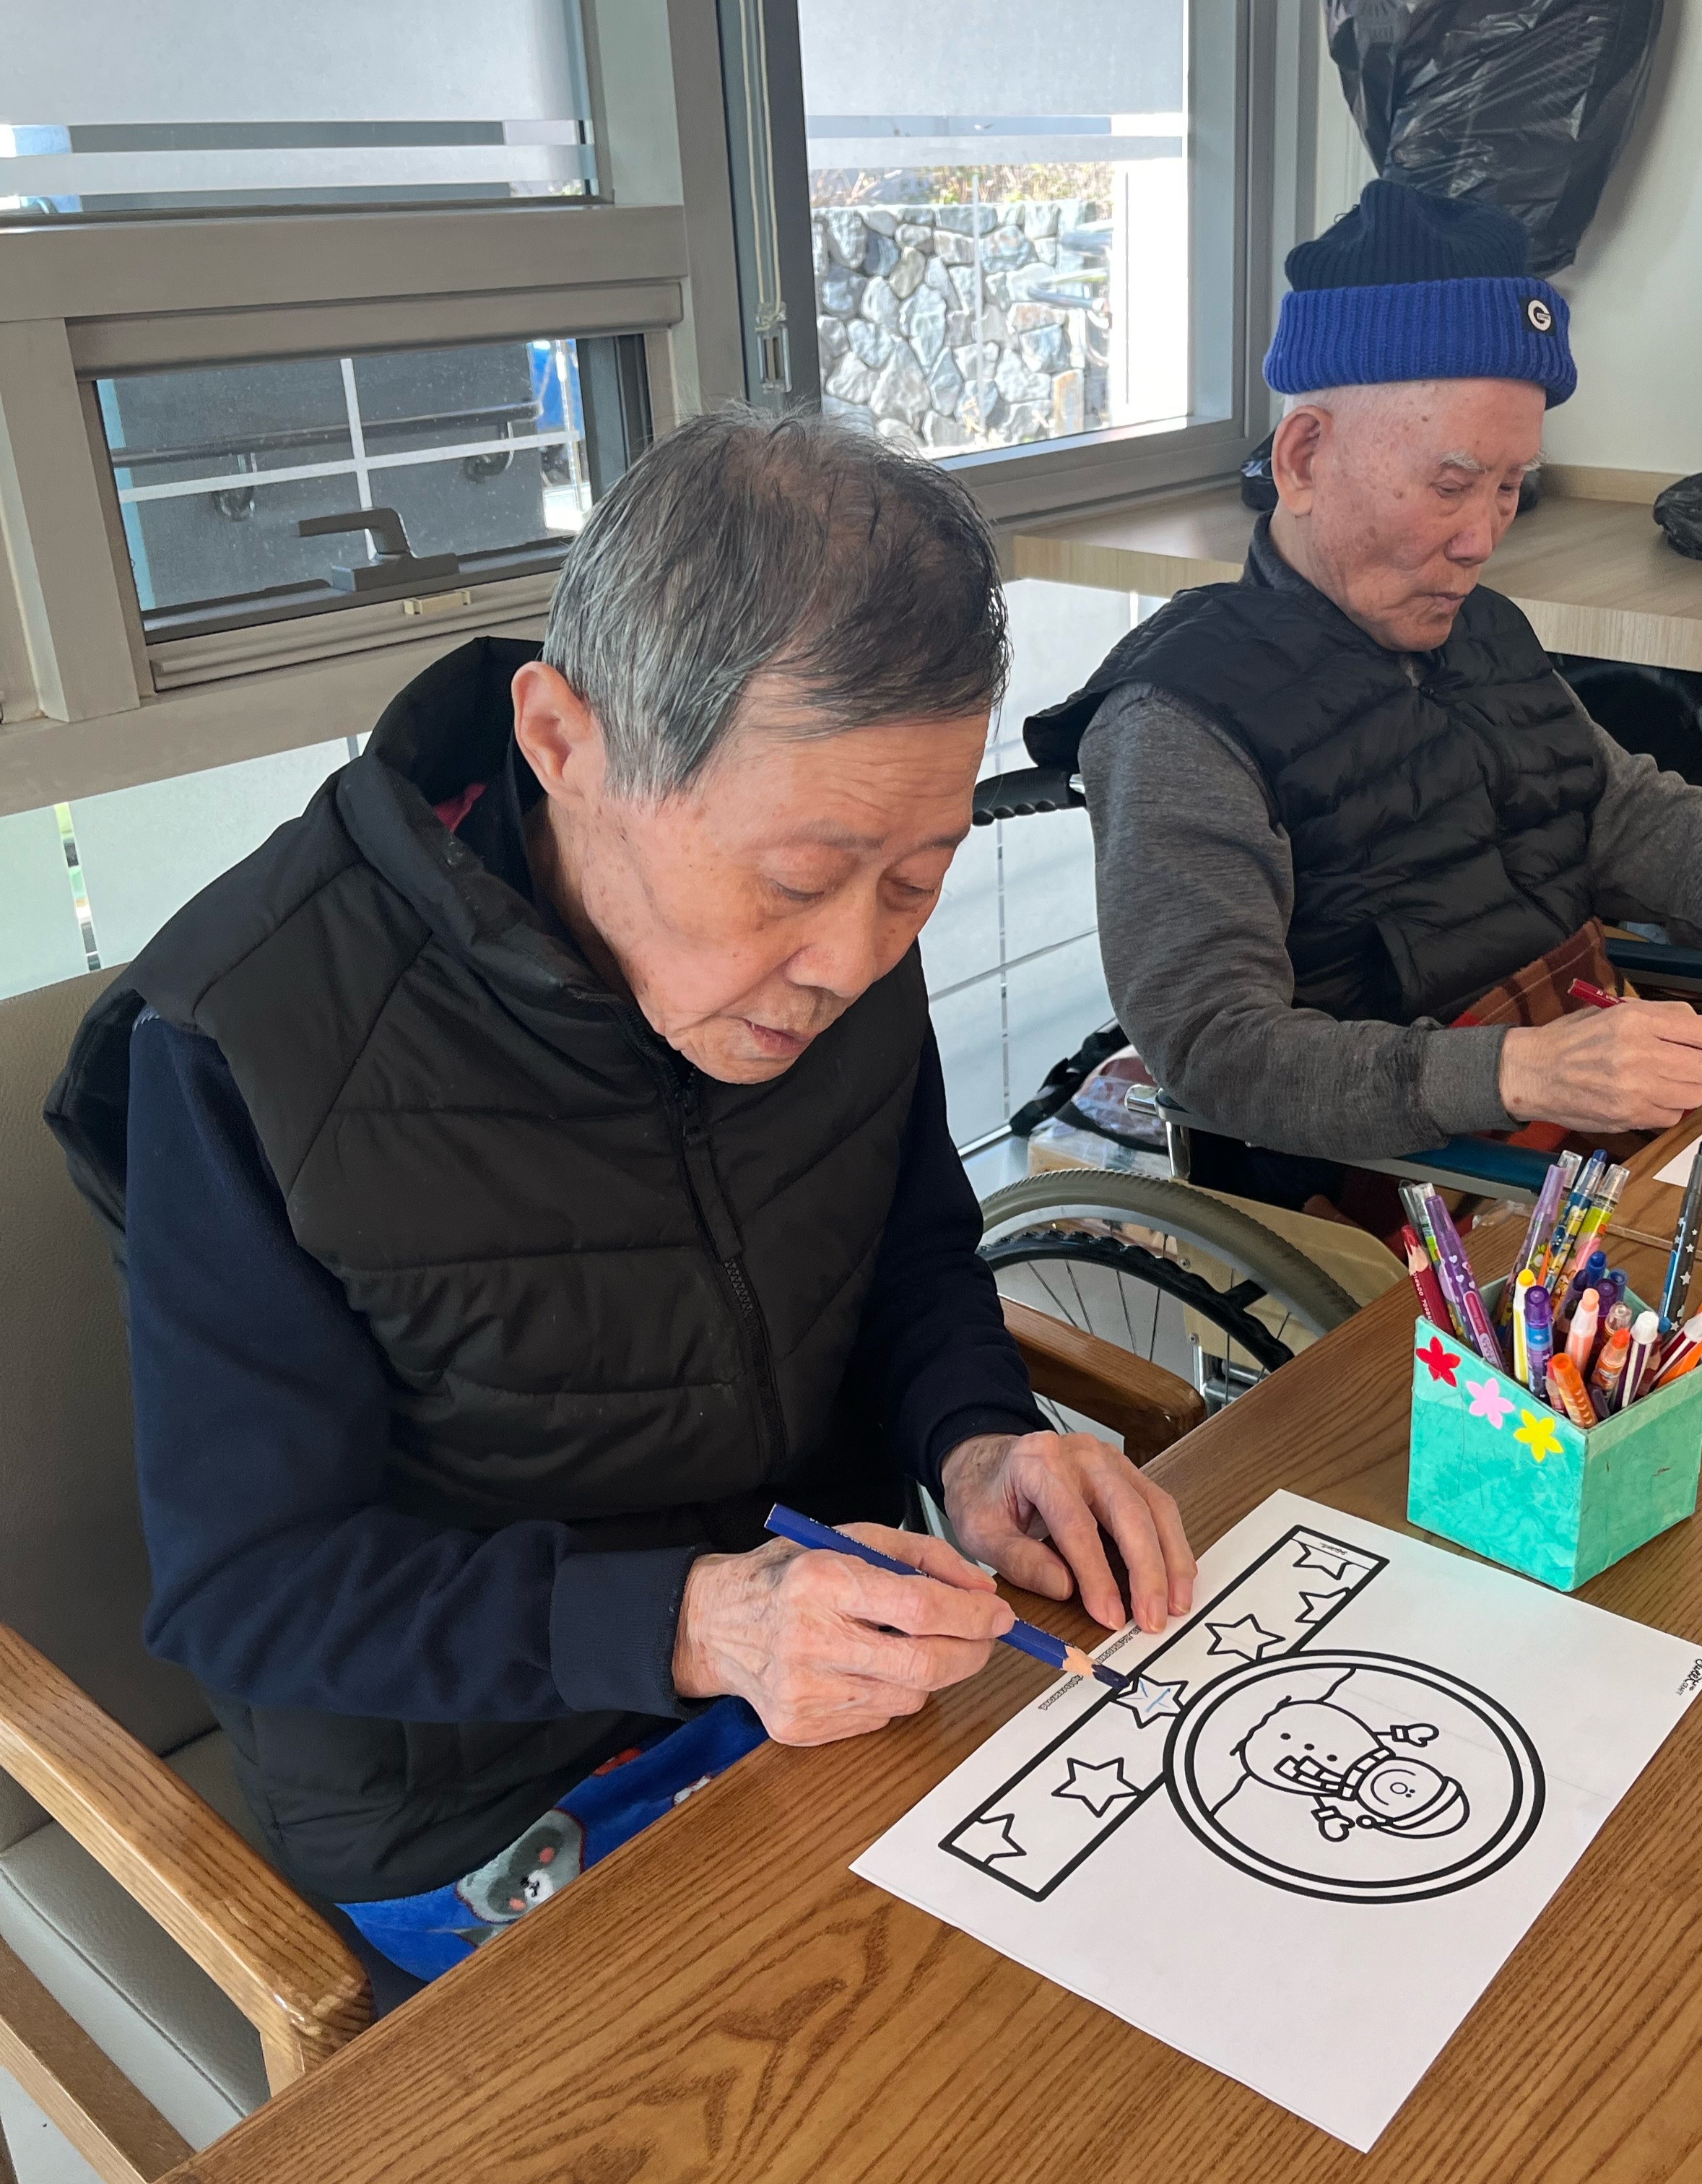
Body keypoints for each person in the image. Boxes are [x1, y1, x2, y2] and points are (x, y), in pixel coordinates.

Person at [47, 407, 1193, 1993]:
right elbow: (252, 1591)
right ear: (563, 743)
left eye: (918, 879)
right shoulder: (248, 1043)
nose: (853, 959)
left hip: (826, 1664)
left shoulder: (838, 927)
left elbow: (908, 1240)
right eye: (798, 880)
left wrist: (979, 1439)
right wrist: (698, 1626)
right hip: (480, 1793)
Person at [1024, 181, 1702, 1197]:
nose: (1482, 539)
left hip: (1584, 1142)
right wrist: (1524, 1071)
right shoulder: (1178, 719)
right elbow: (1219, 1051)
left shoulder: (1483, 630)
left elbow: (1627, 817)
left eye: (1512, 487)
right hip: (1401, 1186)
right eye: (1451, 485)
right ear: (1304, 458)